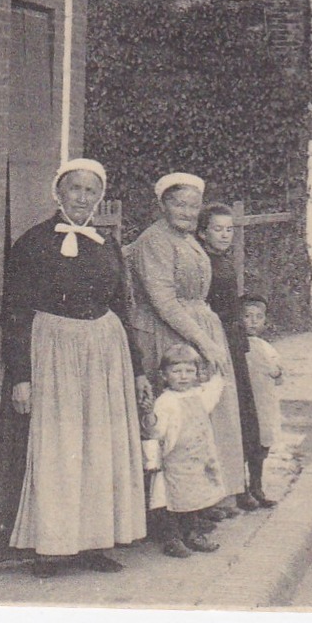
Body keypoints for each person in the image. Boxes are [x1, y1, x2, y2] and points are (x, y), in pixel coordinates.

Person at [0, 158, 146, 577]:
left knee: (97, 447)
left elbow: (124, 308)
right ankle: (49, 547)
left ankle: (93, 543)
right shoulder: (33, 243)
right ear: (59, 192)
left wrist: (138, 368)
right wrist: (20, 375)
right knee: (57, 448)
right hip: (53, 352)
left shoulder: (107, 244)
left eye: (92, 191)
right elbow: (14, 311)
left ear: (100, 197)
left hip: (104, 354)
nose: (83, 198)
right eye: (75, 189)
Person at [125, 173, 247, 513]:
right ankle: (168, 507)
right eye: (179, 204)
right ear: (163, 204)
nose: (187, 212)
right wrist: (203, 341)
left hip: (196, 324)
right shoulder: (155, 241)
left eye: (194, 206)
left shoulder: (188, 238)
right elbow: (163, 300)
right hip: (169, 332)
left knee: (204, 412)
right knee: (173, 417)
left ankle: (207, 496)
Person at [197, 204, 263, 512]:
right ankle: (225, 492)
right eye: (217, 229)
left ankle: (247, 485)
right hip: (217, 337)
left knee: (245, 412)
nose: (225, 235)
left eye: (229, 230)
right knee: (225, 413)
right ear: (203, 232)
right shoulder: (203, 263)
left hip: (233, 339)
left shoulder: (224, 261)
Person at [147, 344, 226, 558]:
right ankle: (172, 538)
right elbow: (158, 431)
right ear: (164, 375)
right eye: (176, 371)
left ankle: (192, 533)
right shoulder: (165, 401)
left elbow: (214, 391)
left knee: (194, 497)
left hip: (197, 457)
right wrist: (150, 420)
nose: (183, 377)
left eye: (189, 371)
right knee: (170, 500)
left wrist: (216, 369)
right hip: (175, 460)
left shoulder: (198, 395)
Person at [241, 297, 282, 508]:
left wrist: (277, 372)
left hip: (264, 403)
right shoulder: (239, 347)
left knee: (261, 446)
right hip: (247, 404)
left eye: (258, 317)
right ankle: (242, 491)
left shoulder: (266, 347)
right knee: (245, 446)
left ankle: (257, 487)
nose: (253, 322)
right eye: (247, 317)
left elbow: (278, 374)